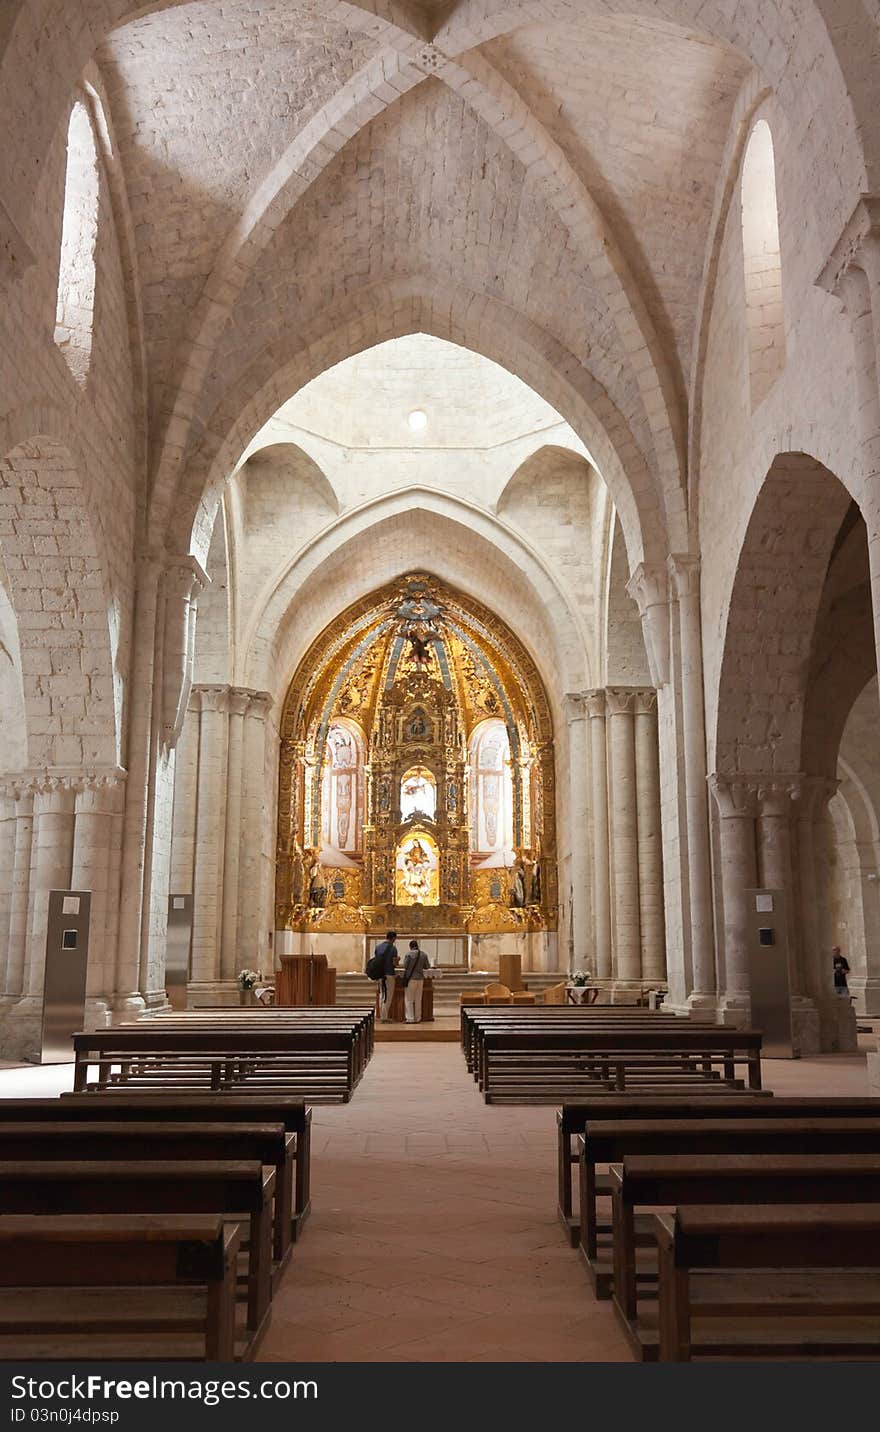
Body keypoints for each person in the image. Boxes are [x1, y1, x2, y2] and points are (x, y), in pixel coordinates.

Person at [401, 938, 431, 1023]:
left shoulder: (409, 954)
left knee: (409, 999)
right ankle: (418, 1018)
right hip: (420, 979)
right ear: (417, 946)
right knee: (418, 999)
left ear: (410, 946)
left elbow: (405, 966)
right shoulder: (423, 954)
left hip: (411, 979)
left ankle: (410, 1018)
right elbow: (427, 966)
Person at [374, 930, 398, 1021]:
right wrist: (397, 960)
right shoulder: (393, 948)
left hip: (380, 974)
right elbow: (394, 963)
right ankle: (384, 1017)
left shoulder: (378, 947)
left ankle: (381, 1015)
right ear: (393, 938)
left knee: (382, 995)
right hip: (389, 974)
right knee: (388, 996)